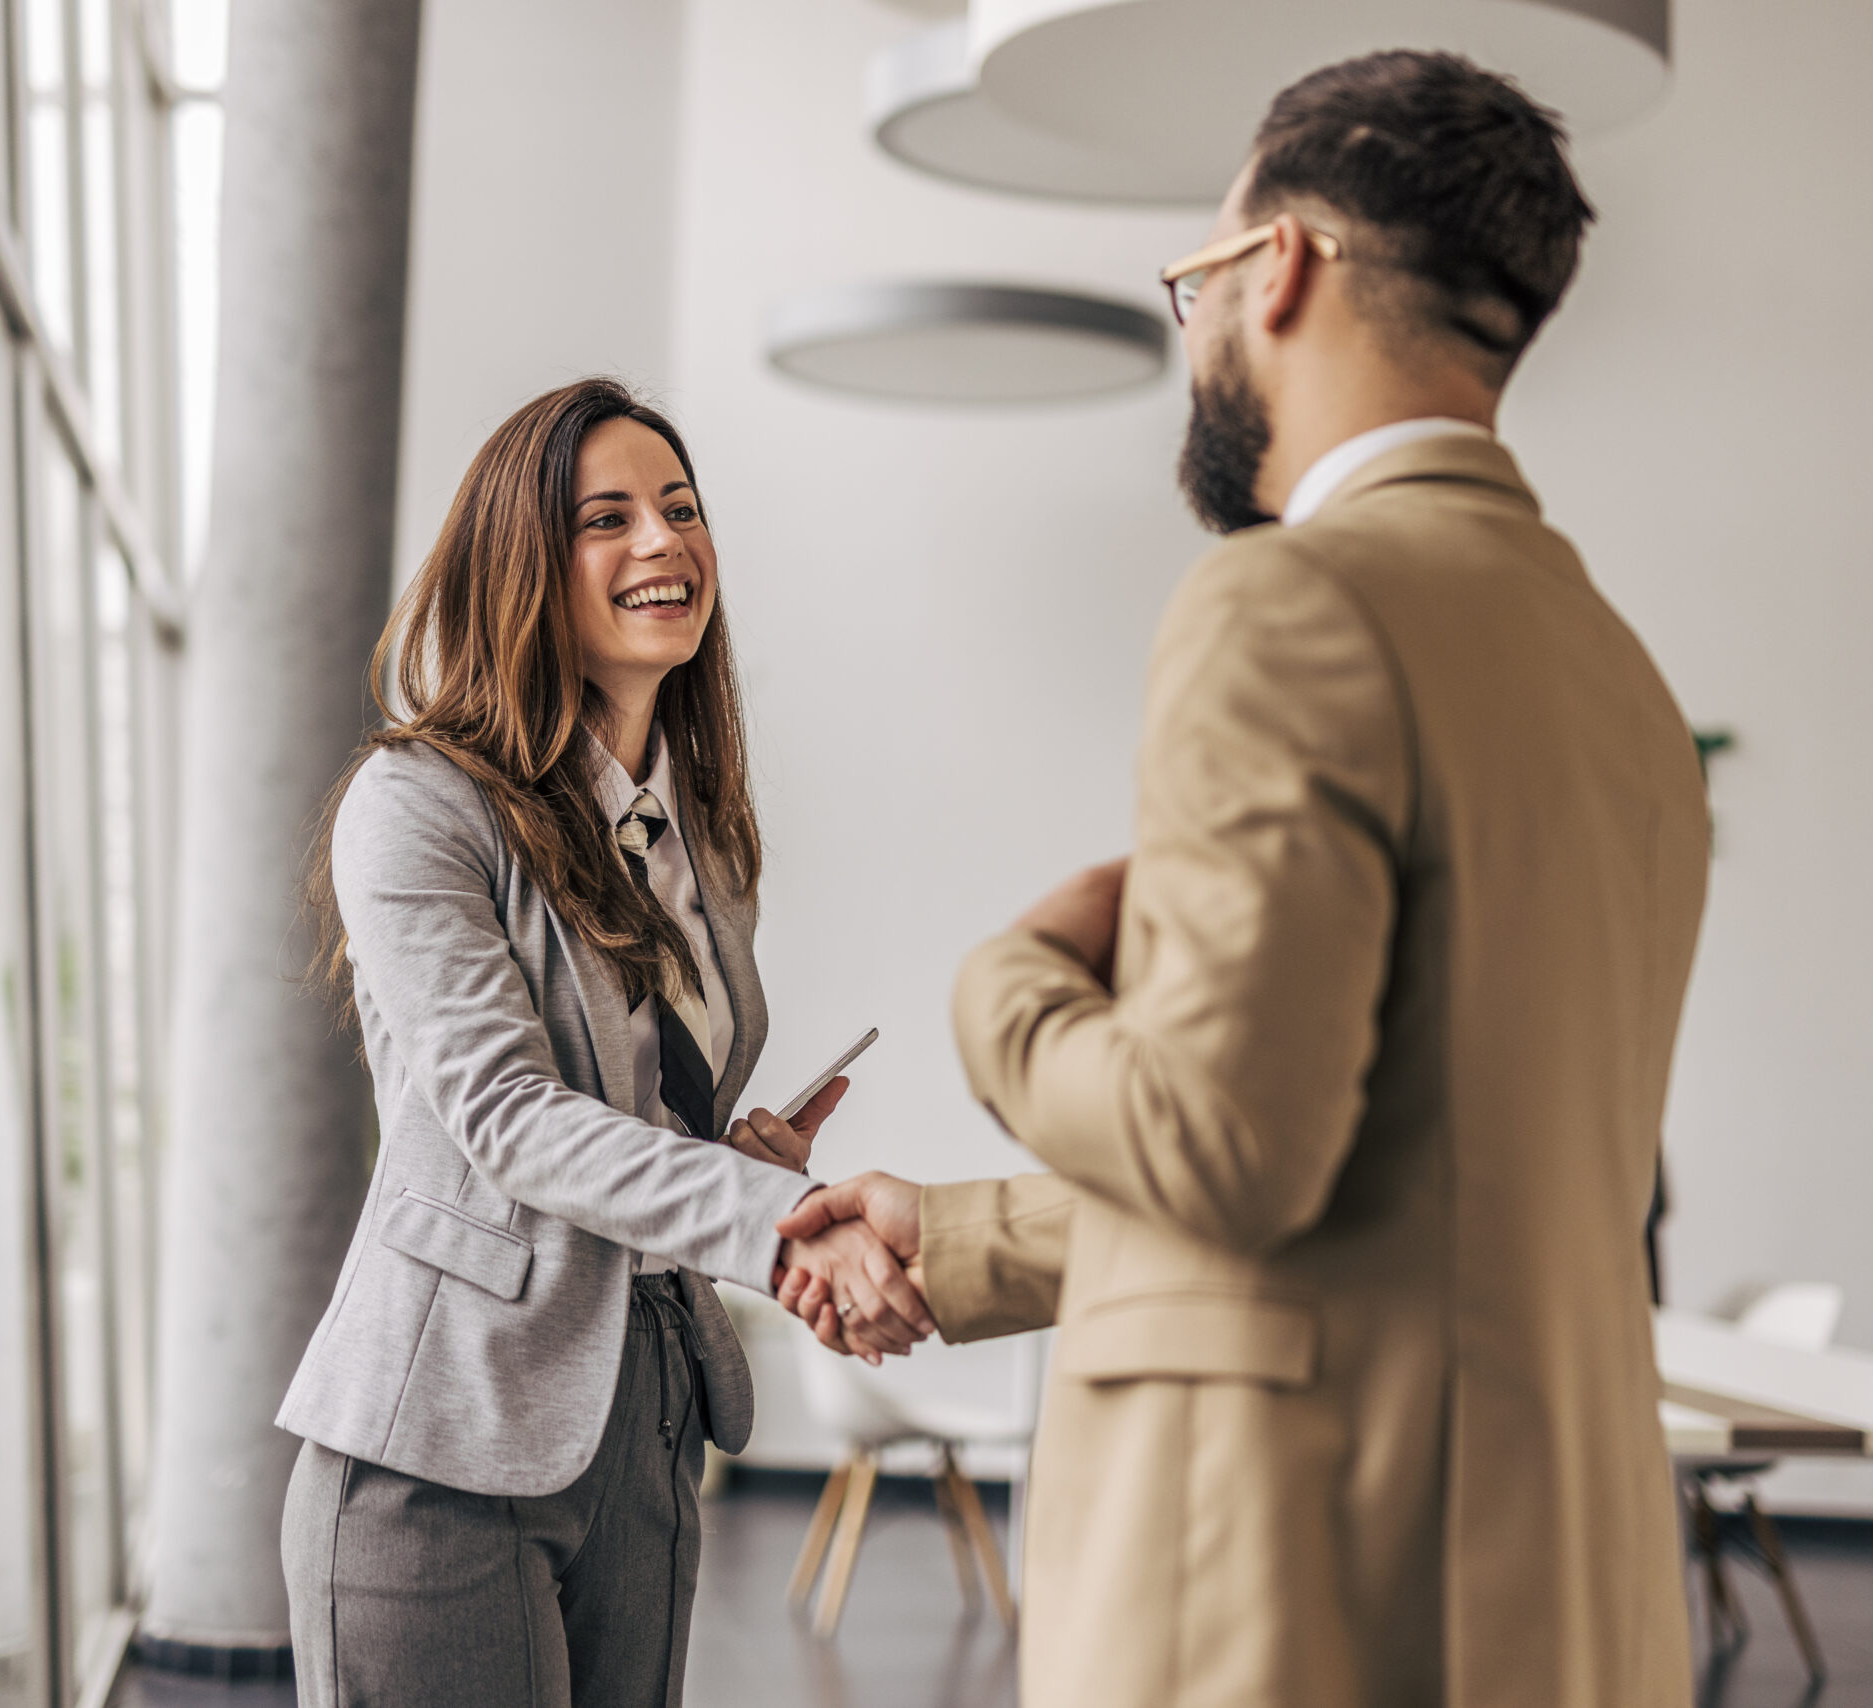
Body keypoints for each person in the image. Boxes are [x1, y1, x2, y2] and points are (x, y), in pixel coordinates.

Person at [779, 51, 1709, 1708]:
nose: (1195, 325)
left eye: (1194, 279)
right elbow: (1394, 1179)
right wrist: (965, 1239)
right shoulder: (1619, 684)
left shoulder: (1287, 606)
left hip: (1287, 1597)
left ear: (1277, 266)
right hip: (1545, 1599)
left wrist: (1008, 988)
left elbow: (1225, 1150)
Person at [276, 378, 931, 1708]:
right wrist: (782, 1212)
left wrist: (732, 1154)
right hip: (440, 1443)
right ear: (521, 562)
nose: (664, 543)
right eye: (608, 518)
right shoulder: (416, 807)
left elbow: (625, 1124)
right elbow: (511, 1122)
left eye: (682, 510)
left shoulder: (709, 844)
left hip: (645, 1418)